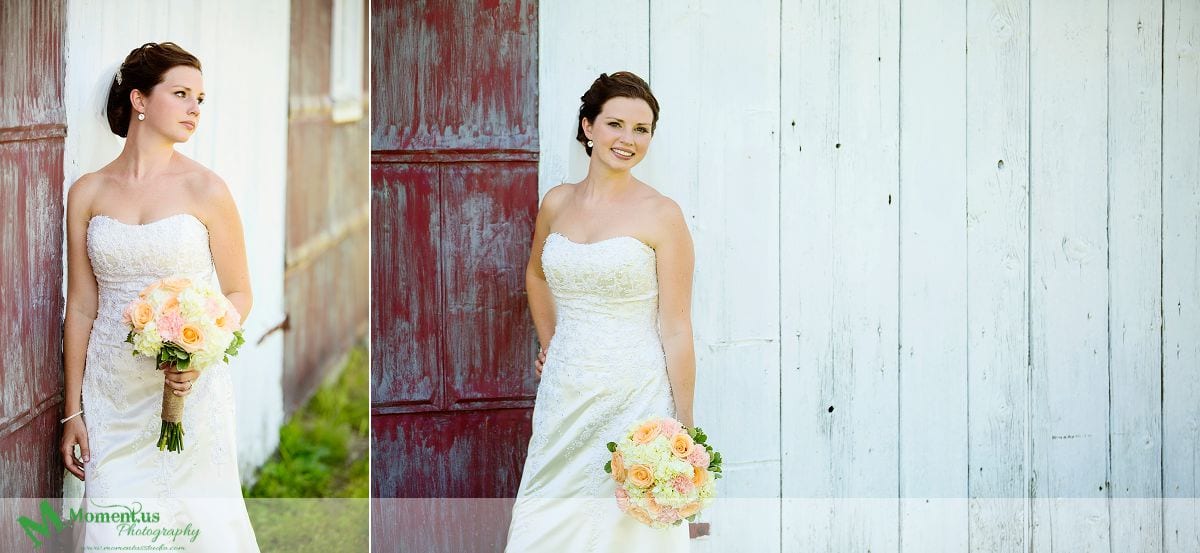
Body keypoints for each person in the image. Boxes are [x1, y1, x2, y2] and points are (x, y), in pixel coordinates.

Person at [59, 42, 259, 550]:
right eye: (182, 94)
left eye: (200, 99)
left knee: (196, 523)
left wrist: (200, 353)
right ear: (140, 100)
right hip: (111, 392)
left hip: (188, 387)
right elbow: (80, 306)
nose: (195, 108)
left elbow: (238, 292)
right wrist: (72, 411)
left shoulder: (207, 189)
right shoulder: (87, 192)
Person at [505, 71, 695, 552]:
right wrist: (551, 343)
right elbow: (537, 275)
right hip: (565, 392)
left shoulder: (662, 214)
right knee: (544, 522)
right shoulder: (557, 203)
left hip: (635, 395)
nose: (628, 139)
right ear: (588, 126)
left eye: (641, 129)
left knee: (626, 530)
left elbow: (676, 326)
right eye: (616, 124)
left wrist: (685, 427)